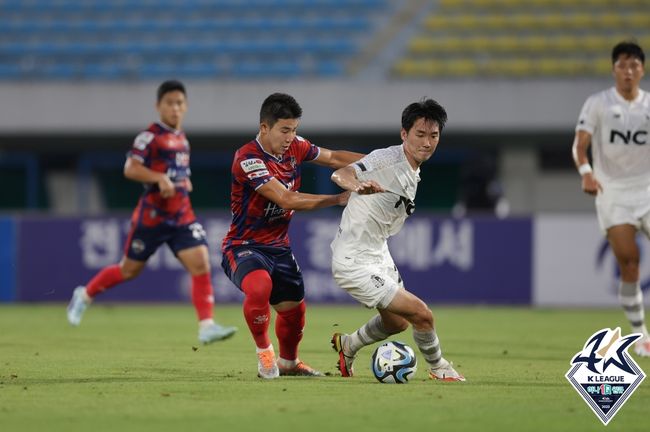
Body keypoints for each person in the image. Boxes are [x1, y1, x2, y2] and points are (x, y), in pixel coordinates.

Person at [67, 80, 237, 344]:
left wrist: (182, 182)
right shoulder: (150, 137)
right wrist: (159, 178)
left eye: (179, 103)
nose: (175, 108)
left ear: (186, 106)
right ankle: (84, 295)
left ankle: (206, 326)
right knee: (128, 270)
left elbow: (178, 173)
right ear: (158, 106)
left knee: (201, 262)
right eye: (169, 103)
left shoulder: (182, 139)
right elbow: (130, 168)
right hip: (152, 217)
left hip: (181, 216)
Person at [221, 93, 369, 379]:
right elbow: (287, 199)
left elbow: (334, 158)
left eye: (294, 129)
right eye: (284, 130)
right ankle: (265, 355)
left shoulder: (296, 148)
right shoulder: (247, 158)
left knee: (294, 311)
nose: (291, 137)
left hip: (279, 248)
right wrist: (337, 199)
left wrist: (384, 161)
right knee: (260, 286)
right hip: (243, 247)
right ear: (265, 128)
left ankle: (289, 363)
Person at [330, 98, 465, 381]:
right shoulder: (386, 158)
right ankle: (440, 368)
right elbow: (341, 173)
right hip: (353, 260)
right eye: (420, 135)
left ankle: (348, 345)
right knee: (422, 315)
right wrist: (356, 185)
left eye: (434, 136)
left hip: (378, 253)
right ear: (404, 134)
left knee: (398, 322)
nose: (427, 143)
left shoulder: (413, 168)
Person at [572, 41, 650, 357]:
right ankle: (640, 334)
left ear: (642, 70)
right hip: (613, 193)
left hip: (647, 189)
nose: (628, 71)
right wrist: (587, 173)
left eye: (634, 65)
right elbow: (579, 145)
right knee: (629, 262)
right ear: (614, 69)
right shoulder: (598, 103)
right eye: (622, 65)